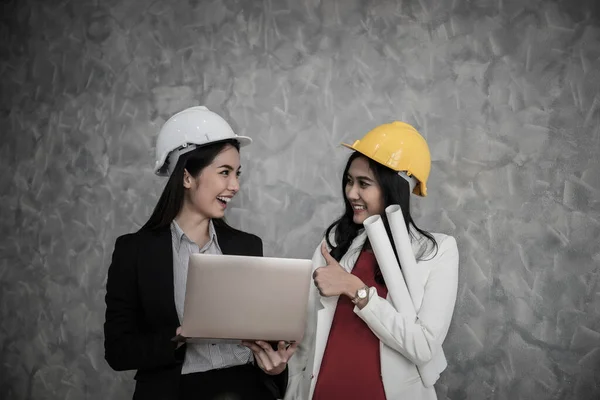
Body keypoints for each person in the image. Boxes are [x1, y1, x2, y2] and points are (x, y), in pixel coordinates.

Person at [104, 106, 296, 400]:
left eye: (237, 174)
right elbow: (118, 351)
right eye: (224, 173)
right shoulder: (135, 252)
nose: (235, 186)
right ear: (186, 178)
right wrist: (180, 336)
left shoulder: (247, 247)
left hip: (246, 390)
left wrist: (275, 365)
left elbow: (264, 339)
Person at [285, 121, 460, 400]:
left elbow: (424, 346)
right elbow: (305, 343)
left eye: (363, 184)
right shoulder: (333, 247)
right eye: (349, 181)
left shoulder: (436, 251)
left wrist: (356, 290)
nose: (351, 193)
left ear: (394, 190)